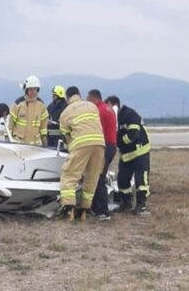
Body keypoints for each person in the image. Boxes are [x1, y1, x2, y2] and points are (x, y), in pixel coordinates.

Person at [58, 86, 105, 221]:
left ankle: (68, 210)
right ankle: (85, 210)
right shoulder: (91, 106)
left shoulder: (66, 112)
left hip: (81, 143)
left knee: (69, 175)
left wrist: (70, 147)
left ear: (68, 98)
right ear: (79, 94)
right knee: (92, 178)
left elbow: (66, 136)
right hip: (100, 143)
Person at [105, 95, 151, 216]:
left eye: (107, 106)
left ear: (113, 104)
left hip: (139, 152)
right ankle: (126, 203)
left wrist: (117, 142)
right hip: (126, 155)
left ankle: (141, 206)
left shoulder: (130, 115)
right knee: (122, 180)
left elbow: (133, 135)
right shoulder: (114, 118)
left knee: (141, 180)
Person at [87, 89, 117, 220]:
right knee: (99, 176)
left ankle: (102, 211)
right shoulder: (108, 109)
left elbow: (97, 131)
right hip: (111, 145)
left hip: (105, 146)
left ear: (94, 99)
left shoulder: (99, 111)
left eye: (89, 101)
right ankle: (98, 208)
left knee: (99, 177)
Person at [7, 76, 48, 145]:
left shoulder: (41, 105)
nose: (33, 91)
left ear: (38, 90)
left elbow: (43, 125)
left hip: (35, 144)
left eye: (35, 89)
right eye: (30, 89)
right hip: (19, 142)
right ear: (26, 90)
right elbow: (10, 123)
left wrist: (44, 140)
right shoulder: (18, 104)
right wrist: (7, 138)